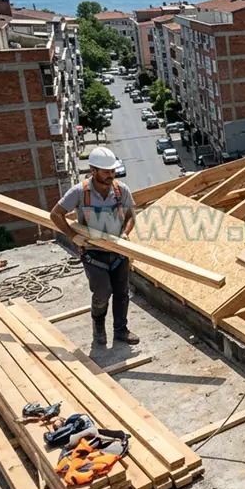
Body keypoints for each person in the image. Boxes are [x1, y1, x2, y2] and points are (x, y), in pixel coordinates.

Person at [50, 146, 139, 348]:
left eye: (112, 171)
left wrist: (125, 233)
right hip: (93, 254)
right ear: (93, 170)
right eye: (106, 171)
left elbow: (131, 216)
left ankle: (121, 330)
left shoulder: (120, 190)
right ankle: (98, 327)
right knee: (102, 292)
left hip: (118, 252)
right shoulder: (80, 192)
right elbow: (55, 214)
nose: (111, 175)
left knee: (122, 293)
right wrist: (73, 236)